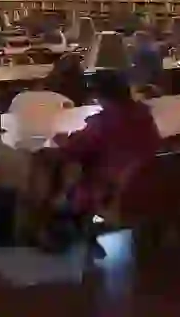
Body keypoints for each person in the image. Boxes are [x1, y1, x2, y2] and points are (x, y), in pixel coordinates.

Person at [50, 69, 161, 255]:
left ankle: (66, 228)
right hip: (148, 185)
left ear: (99, 95)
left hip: (112, 191)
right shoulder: (146, 116)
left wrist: (61, 140)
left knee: (66, 173)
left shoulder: (102, 121)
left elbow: (72, 151)